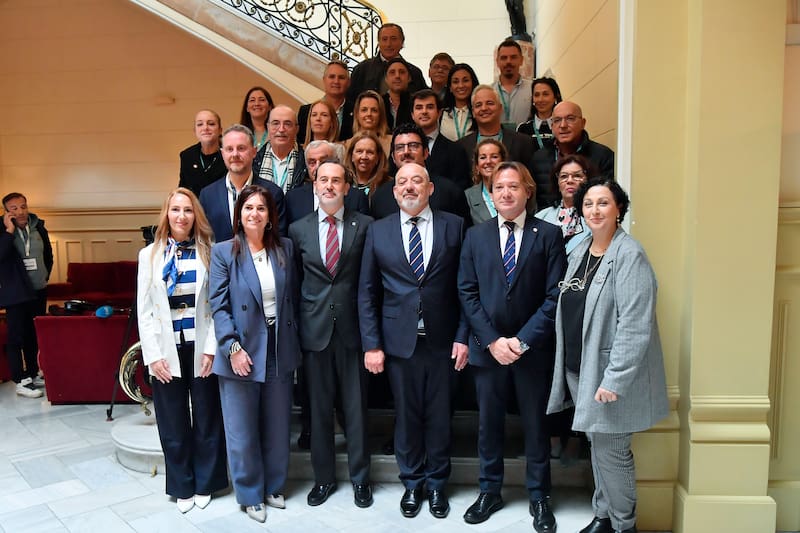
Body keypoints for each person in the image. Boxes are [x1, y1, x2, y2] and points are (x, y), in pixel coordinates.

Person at [547, 178, 668, 533]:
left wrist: (615, 378)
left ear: (619, 209)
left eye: (603, 203)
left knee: (612, 453)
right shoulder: (582, 248)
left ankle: (624, 526)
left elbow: (635, 324)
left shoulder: (629, 255)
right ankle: (603, 516)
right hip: (580, 368)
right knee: (598, 449)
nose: (595, 210)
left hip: (607, 375)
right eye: (588, 204)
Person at [458, 162, 566, 532]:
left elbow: (555, 296)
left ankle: (540, 496)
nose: (506, 193)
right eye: (498, 187)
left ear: (527, 191)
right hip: (488, 350)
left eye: (513, 186)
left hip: (532, 350)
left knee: (536, 425)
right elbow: (467, 293)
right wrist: (491, 341)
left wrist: (521, 341)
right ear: (490, 194)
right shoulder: (476, 236)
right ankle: (490, 491)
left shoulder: (549, 235)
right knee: (489, 425)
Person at [358, 162, 468, 519]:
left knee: (439, 416)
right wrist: (372, 344)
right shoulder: (379, 231)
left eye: (416, 181)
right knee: (406, 416)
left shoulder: (455, 227)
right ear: (394, 192)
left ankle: (437, 484)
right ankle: (412, 483)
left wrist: (464, 336)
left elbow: (467, 289)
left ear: (430, 188)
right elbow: (367, 292)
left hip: (443, 340)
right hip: (398, 342)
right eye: (402, 182)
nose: (409, 187)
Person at [209, 184, 302, 523]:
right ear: (239, 215)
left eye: (261, 208)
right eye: (248, 208)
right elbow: (218, 306)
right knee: (241, 426)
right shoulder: (224, 252)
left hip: (279, 344)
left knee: (278, 423)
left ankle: (274, 486)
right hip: (241, 347)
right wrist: (232, 347)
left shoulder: (285, 249)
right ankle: (249, 493)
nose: (254, 214)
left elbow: (293, 297)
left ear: (270, 217)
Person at [136, 187, 228, 513]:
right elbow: (144, 310)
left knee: (207, 418)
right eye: (175, 210)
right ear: (166, 214)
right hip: (166, 351)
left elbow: (218, 305)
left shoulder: (211, 251)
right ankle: (182, 485)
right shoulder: (149, 256)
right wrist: (153, 356)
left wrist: (212, 348)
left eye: (188, 210)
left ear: (195, 216)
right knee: (172, 421)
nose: (181, 216)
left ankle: (206, 482)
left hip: (201, 348)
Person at [289, 161, 374, 509]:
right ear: (315, 185)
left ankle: (360, 479)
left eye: (336, 180)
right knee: (319, 411)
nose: (329, 186)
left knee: (356, 410)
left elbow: (370, 285)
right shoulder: (298, 230)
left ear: (346, 187)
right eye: (323, 180)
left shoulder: (365, 225)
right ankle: (323, 479)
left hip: (353, 332)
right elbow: (294, 287)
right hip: (315, 332)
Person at [1, 192, 52, 398]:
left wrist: (45, 275)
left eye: (23, 206)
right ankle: (20, 380)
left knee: (33, 334)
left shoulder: (38, 226)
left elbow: (48, 254)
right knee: (16, 336)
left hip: (38, 290)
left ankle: (32, 372)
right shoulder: (3, 230)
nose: (20, 211)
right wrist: (9, 231)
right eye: (14, 208)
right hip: (15, 292)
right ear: (6, 212)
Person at [370, 123, 471, 223]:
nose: (406, 152)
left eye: (413, 146)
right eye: (400, 147)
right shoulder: (380, 197)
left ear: (426, 153)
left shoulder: (450, 192)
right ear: (393, 157)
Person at [458, 85, 541, 206]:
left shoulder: (523, 142)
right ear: (473, 112)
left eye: (490, 103)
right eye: (478, 105)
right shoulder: (461, 146)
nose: (484, 108)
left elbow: (530, 182)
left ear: (500, 108)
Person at [199, 124, 287, 239]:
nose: (235, 154)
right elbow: (203, 239)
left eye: (241, 148)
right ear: (222, 154)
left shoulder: (273, 193)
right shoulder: (207, 195)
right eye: (229, 149)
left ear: (254, 152)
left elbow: (278, 240)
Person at [531, 101, 615, 206]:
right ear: (552, 126)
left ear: (583, 123)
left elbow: (609, 199)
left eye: (570, 119)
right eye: (557, 120)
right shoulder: (539, 158)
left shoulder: (603, 156)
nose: (563, 125)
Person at [285, 140, 369, 225]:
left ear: (337, 161)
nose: (318, 166)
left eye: (324, 161)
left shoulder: (357, 198)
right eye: (312, 162)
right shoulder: (293, 198)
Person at [346, 23, 427, 102]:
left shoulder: (414, 72)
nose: (388, 44)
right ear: (378, 42)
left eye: (393, 39)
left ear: (402, 42)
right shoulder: (362, 70)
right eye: (384, 39)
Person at [410, 89, 472, 190]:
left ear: (439, 113)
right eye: (419, 108)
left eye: (430, 107)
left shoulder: (456, 151)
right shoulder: (402, 148)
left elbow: (460, 188)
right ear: (412, 114)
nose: (424, 111)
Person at [536, 154, 596, 256]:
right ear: (557, 183)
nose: (569, 181)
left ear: (588, 181)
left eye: (577, 176)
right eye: (564, 176)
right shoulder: (541, 217)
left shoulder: (595, 217)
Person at [297, 60, 354, 143]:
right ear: (324, 80)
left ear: (348, 82)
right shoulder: (306, 112)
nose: (336, 81)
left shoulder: (356, 112)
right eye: (332, 77)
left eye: (341, 77)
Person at [254, 105, 307, 193]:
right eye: (275, 123)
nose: (281, 129)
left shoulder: (306, 162)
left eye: (287, 124)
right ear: (268, 127)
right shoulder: (254, 161)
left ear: (296, 129)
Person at [179, 109, 227, 196]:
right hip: (196, 207)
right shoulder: (187, 156)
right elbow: (183, 189)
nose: (205, 128)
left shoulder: (229, 153)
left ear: (220, 130)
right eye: (200, 124)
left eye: (211, 124)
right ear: (195, 130)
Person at [464, 139, 508, 226]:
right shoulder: (468, 196)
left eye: (494, 157)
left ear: (503, 162)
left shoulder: (516, 191)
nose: (488, 161)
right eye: (483, 157)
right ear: (477, 166)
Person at [494, 39, 533, 130]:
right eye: (504, 58)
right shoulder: (489, 92)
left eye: (513, 57)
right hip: (496, 142)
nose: (508, 61)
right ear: (497, 61)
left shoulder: (532, 89)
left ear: (521, 60)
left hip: (525, 142)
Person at [517, 77, 563, 151]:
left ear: (555, 97)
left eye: (545, 94)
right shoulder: (523, 129)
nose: (540, 99)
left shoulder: (563, 126)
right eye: (537, 95)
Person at [344, 131, 390, 201]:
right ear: (351, 156)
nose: (364, 157)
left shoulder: (388, 186)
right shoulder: (342, 183)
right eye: (359, 151)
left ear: (378, 158)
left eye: (370, 152)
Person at [439, 63, 479, 142]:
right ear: (450, 87)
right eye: (455, 82)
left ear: (473, 83)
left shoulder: (479, 111)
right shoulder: (442, 114)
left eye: (465, 80)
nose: (461, 85)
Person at [348, 90, 392, 156]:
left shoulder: (392, 142)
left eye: (374, 110)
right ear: (357, 114)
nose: (369, 114)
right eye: (364, 110)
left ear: (380, 114)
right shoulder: (346, 145)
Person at [240, 87, 275, 153]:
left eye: (262, 100)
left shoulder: (277, 133)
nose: (257, 104)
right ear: (247, 108)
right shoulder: (239, 134)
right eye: (252, 100)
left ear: (270, 106)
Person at [383, 57, 414, 130]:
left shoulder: (416, 103)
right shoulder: (378, 103)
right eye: (392, 72)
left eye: (402, 72)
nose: (397, 76)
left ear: (409, 78)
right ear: (386, 79)